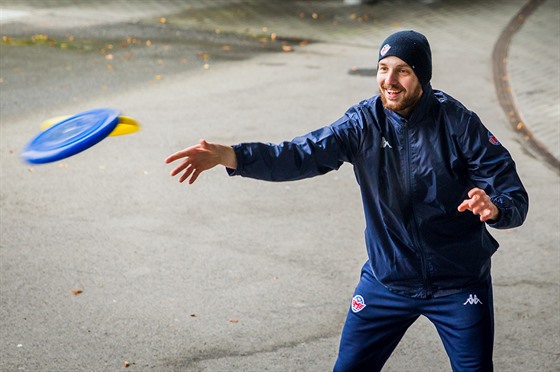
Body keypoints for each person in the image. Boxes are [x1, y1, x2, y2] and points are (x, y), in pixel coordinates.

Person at [165, 30, 528, 371]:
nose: (389, 80)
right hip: (387, 280)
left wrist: (496, 209)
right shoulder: (363, 123)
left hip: (458, 283)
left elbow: (512, 192)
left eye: (402, 71)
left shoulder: (458, 123)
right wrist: (232, 156)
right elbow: (299, 154)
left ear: (422, 77)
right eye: (383, 69)